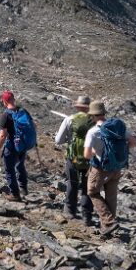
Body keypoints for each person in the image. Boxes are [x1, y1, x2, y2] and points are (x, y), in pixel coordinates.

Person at [84, 101, 136, 236]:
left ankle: (109, 222)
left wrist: (97, 153)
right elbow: (133, 142)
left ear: (93, 116)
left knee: (92, 192)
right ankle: (107, 228)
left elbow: (86, 154)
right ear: (103, 113)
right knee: (111, 197)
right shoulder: (118, 128)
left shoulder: (93, 131)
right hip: (116, 168)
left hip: (100, 168)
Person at [54, 95, 94, 223]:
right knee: (88, 186)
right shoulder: (95, 121)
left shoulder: (69, 119)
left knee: (72, 182)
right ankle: (86, 215)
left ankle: (70, 211)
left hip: (73, 157)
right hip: (90, 159)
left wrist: (70, 140)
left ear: (77, 107)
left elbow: (58, 140)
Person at [0, 90, 29, 201]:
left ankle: (15, 194)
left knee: (9, 169)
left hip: (12, 145)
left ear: (4, 101)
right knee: (20, 165)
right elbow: (33, 126)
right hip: (22, 145)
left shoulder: (5, 115)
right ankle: (23, 187)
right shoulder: (22, 111)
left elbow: (3, 135)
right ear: (13, 99)